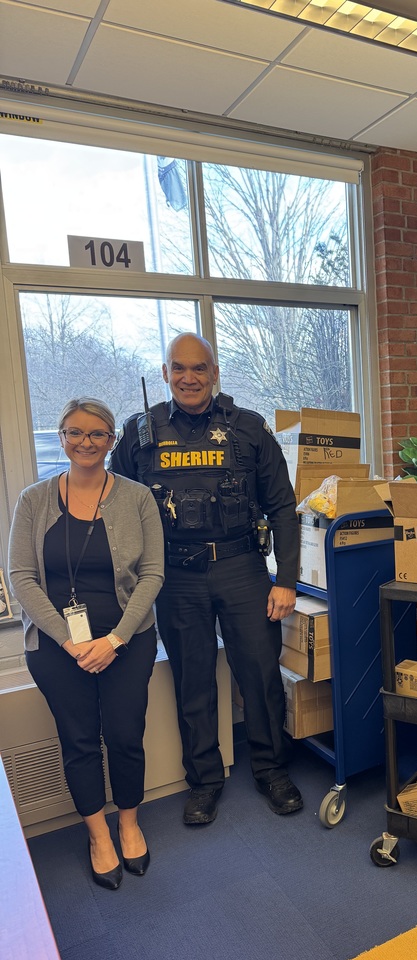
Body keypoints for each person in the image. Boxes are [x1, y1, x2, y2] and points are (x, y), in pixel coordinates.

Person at [110, 332, 302, 826]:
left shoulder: (249, 429)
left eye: (199, 368)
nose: (189, 378)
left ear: (215, 373)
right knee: (192, 680)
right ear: (165, 373)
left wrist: (288, 580)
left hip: (242, 568)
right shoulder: (139, 433)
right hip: (175, 575)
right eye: (179, 368)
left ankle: (272, 770)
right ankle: (204, 782)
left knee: (260, 677)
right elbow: (118, 507)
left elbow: (283, 506)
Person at [9, 399, 164, 891]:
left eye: (97, 434)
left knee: (123, 735)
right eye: (75, 433)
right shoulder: (33, 500)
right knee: (78, 742)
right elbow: (22, 578)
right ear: (61, 437)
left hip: (128, 640)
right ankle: (98, 835)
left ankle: (129, 823)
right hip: (58, 649)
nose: (86, 442)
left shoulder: (138, 498)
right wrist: (70, 643)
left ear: (112, 441)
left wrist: (116, 638)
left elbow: (153, 575)